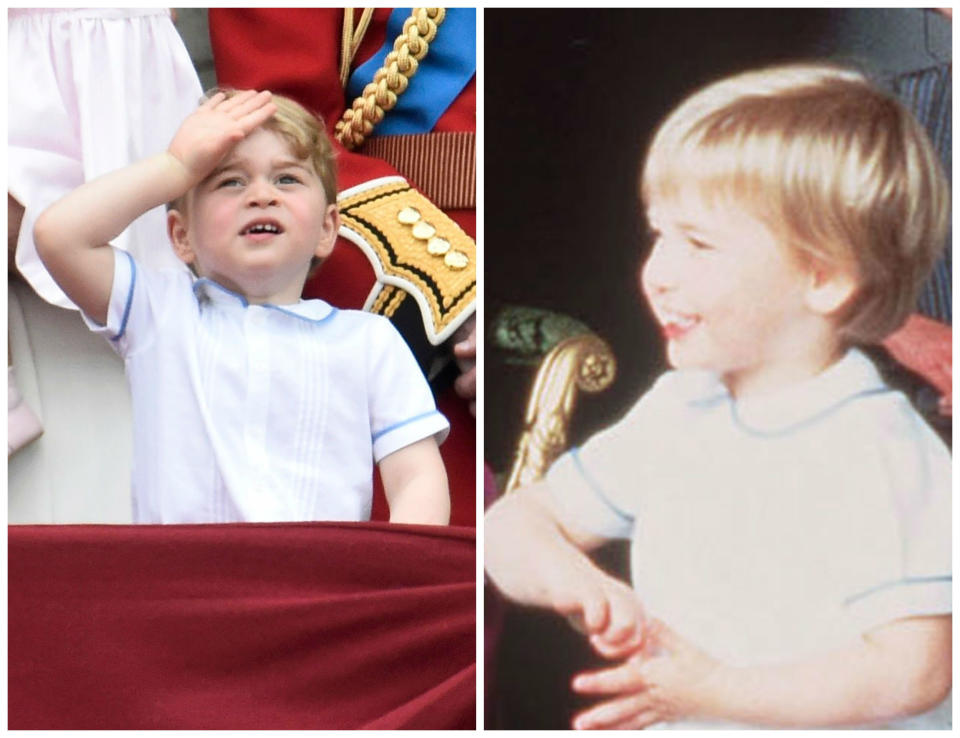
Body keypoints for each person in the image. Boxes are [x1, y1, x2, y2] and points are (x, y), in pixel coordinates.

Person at [485, 62, 951, 729]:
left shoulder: (879, 450)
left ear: (823, 279)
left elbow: (916, 673)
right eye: (659, 236)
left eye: (698, 244)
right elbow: (513, 522)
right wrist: (575, 581)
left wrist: (712, 693)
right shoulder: (681, 410)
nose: (657, 274)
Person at [33, 89, 450, 526]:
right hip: (182, 585)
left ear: (327, 229)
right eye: (230, 181)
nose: (262, 196)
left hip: (317, 585)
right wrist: (177, 166)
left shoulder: (370, 340)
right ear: (181, 236)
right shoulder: (159, 314)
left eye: (287, 179)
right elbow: (59, 236)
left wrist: (397, 585)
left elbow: (415, 479)